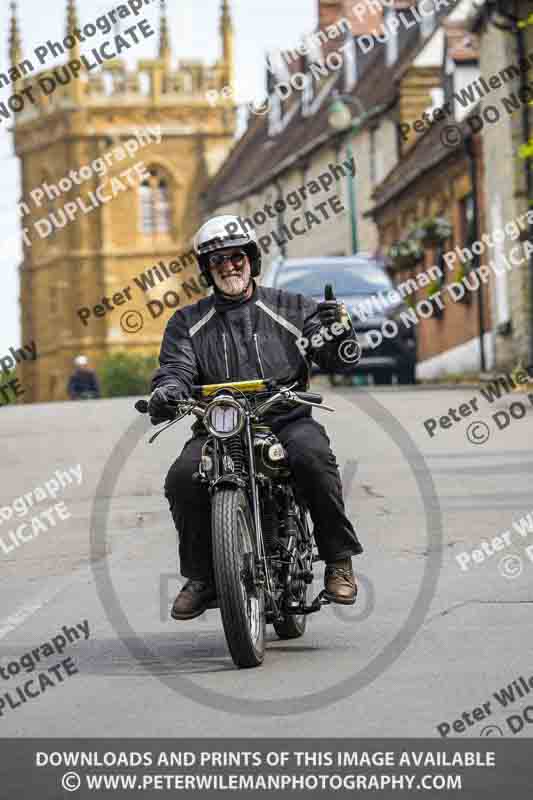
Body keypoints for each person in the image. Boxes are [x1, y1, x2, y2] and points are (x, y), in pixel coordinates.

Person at [149, 215, 363, 620]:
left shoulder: (293, 308)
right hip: (219, 425)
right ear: (207, 270)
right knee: (182, 477)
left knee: (312, 457)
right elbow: (175, 368)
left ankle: (339, 560)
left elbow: (333, 357)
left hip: (284, 418)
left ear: (251, 258)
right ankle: (202, 577)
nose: (229, 266)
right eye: (218, 261)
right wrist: (168, 391)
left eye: (236, 257)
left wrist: (336, 336)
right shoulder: (186, 323)